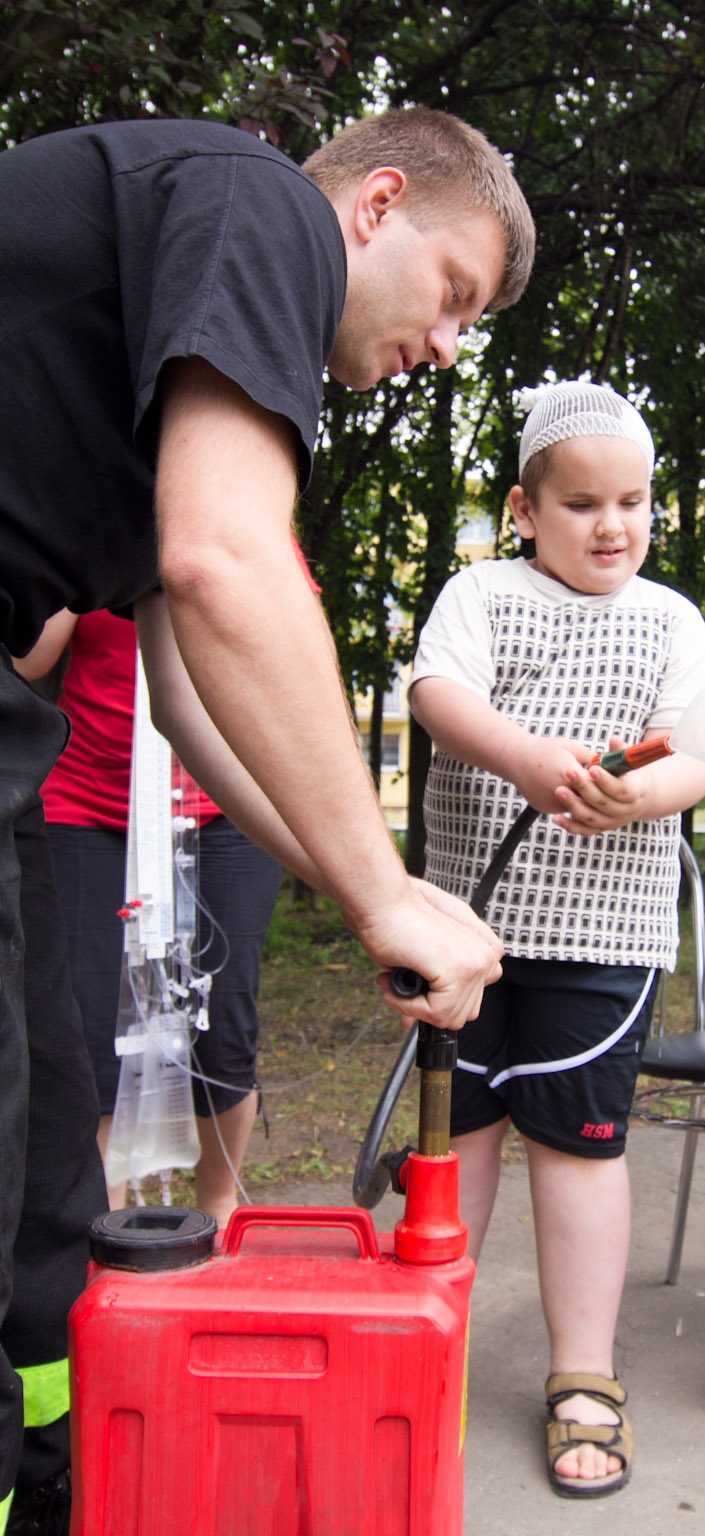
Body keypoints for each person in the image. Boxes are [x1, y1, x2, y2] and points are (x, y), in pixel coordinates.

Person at [0, 107, 531, 1532]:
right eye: (455, 293)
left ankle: (52, 1492)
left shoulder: (162, 352)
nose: (447, 344)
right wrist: (382, 892)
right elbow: (227, 563)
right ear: (374, 204)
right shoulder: (257, 205)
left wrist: (365, 886)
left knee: (46, 1173)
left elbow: (189, 690)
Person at [409, 381, 705, 1499]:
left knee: (581, 1148)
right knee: (459, 1140)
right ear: (524, 510)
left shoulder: (672, 620)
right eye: (582, 502)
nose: (612, 526)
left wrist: (642, 799)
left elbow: (693, 751)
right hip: (466, 928)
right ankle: (422, 1351)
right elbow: (439, 692)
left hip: (604, 934)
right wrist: (529, 755)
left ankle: (582, 1376)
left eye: (632, 501)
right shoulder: (481, 593)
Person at [16, 607, 283, 1229]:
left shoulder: (244, 525)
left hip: (226, 808)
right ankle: (99, 1226)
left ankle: (217, 1209)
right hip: (88, 808)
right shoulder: (93, 522)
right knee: (87, 1031)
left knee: (223, 1024)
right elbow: (29, 660)